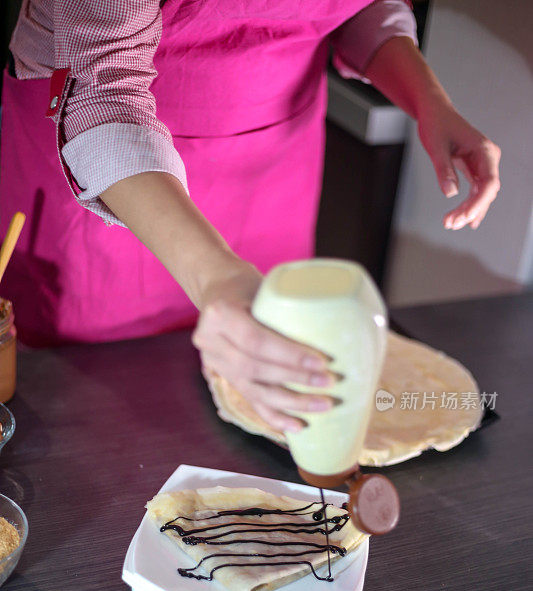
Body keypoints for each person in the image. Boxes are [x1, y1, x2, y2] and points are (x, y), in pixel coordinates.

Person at [1, 0, 500, 434]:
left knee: (262, 391)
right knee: (95, 420)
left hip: (273, 161)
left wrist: (428, 99)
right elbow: (100, 92)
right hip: (113, 176)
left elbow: (356, 7)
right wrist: (218, 278)